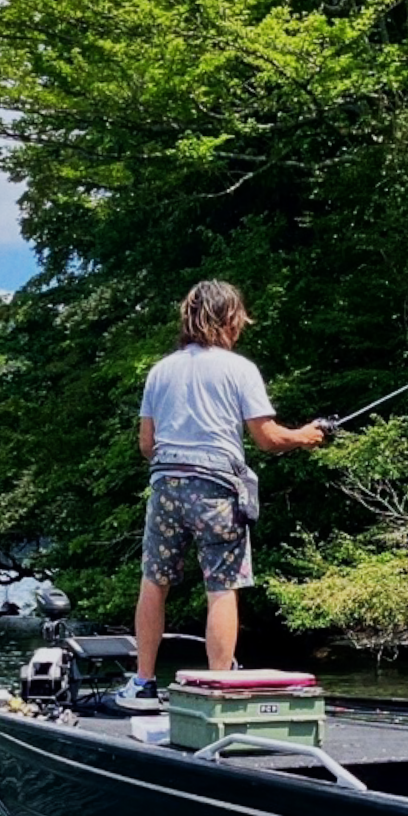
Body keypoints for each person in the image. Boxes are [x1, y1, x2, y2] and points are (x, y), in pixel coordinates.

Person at [123, 280, 328, 700]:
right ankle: (219, 683)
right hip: (217, 489)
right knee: (221, 585)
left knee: (154, 581)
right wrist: (308, 435)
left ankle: (143, 682)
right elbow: (268, 439)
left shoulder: (160, 370)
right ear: (229, 319)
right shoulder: (240, 369)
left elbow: (147, 444)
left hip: (166, 485)